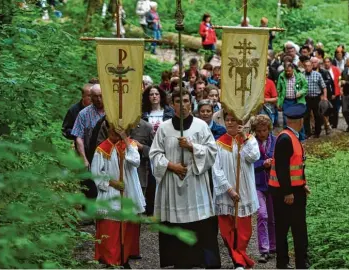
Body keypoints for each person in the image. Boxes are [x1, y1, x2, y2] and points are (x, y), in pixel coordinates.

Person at [150, 89, 221, 269]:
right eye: (178, 101)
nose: (182, 105)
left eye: (186, 101)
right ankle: (179, 262)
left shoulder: (201, 126)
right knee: (176, 227)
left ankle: (199, 260)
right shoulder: (164, 128)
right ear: (172, 104)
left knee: (198, 225)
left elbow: (212, 152)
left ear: (191, 103)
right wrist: (172, 166)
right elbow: (155, 154)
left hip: (195, 183)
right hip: (172, 182)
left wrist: (192, 147)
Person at [92, 125, 146, 268]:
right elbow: (96, 172)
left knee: (127, 227)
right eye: (112, 130)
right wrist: (112, 182)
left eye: (118, 130)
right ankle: (111, 260)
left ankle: (124, 258)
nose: (115, 133)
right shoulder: (102, 149)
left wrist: (125, 140)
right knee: (111, 227)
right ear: (107, 130)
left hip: (129, 191)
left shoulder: (130, 145)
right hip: (111, 191)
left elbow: (135, 161)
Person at [213, 111, 260, 270]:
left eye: (234, 120)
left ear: (240, 122)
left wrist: (244, 139)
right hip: (226, 194)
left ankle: (240, 254)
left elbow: (253, 157)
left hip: (244, 191)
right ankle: (238, 261)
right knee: (227, 229)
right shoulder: (219, 143)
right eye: (228, 120)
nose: (230, 123)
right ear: (224, 121)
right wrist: (229, 190)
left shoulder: (249, 140)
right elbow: (216, 170)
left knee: (243, 229)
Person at [269, 103, 310, 269]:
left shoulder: (292, 137)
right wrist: (288, 192)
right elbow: (282, 168)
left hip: (295, 190)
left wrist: (303, 184)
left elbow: (297, 165)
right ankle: (284, 262)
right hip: (285, 193)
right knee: (285, 228)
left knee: (299, 228)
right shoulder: (286, 138)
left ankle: (301, 261)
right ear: (299, 121)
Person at [250, 115, 276, 263]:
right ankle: (264, 249)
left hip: (273, 184)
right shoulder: (251, 142)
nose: (261, 133)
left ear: (269, 129)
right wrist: (262, 164)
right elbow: (248, 163)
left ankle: (273, 246)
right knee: (262, 215)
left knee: (273, 217)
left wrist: (273, 162)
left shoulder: (277, 141)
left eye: (264, 130)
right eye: (258, 131)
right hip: (258, 183)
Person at [71, 84, 105, 168]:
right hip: (91, 154)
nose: (99, 99)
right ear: (91, 97)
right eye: (95, 97)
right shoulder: (83, 114)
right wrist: (84, 159)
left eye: (101, 96)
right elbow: (79, 138)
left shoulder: (113, 112)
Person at [276, 62, 308, 132]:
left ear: (293, 69)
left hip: (297, 101)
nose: (288, 73)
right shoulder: (281, 76)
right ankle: (287, 136)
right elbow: (279, 90)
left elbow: (305, 87)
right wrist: (279, 103)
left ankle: (301, 139)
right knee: (286, 120)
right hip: (286, 101)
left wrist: (301, 92)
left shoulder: (299, 76)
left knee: (298, 120)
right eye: (286, 71)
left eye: (289, 71)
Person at [303, 58, 327, 139]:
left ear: (312, 66)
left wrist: (325, 97)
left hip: (316, 98)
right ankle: (307, 132)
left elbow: (324, 87)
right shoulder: (301, 75)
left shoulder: (317, 74)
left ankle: (317, 132)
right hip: (306, 98)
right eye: (306, 66)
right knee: (306, 116)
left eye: (309, 66)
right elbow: (297, 85)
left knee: (317, 116)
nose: (307, 67)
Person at [311, 57, 334, 135]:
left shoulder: (324, 72)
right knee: (312, 113)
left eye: (315, 62)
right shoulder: (308, 72)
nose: (314, 64)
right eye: (312, 62)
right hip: (313, 96)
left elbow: (330, 81)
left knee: (323, 112)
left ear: (318, 63)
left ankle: (327, 126)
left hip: (324, 94)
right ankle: (314, 127)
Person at [323, 57, 342, 129]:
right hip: (326, 93)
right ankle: (328, 123)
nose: (327, 63)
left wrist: (337, 91)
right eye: (325, 62)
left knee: (335, 109)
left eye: (328, 62)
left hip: (336, 92)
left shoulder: (335, 69)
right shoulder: (322, 71)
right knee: (328, 109)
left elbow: (339, 79)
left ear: (330, 62)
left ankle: (334, 124)